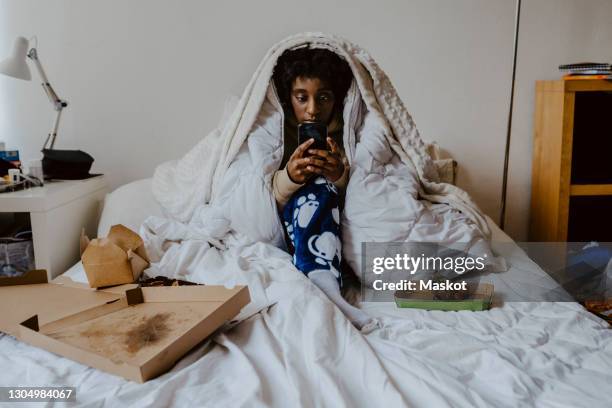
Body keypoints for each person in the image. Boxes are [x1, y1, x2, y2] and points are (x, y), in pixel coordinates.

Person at [272, 48, 375, 331]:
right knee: (314, 186)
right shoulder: (277, 135)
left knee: (323, 185)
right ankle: (330, 295)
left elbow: (365, 187)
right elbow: (262, 199)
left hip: (334, 227)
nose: (313, 109)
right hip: (292, 223)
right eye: (301, 98)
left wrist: (339, 174)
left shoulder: (348, 135)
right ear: (287, 97)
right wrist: (290, 177)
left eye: (324, 97)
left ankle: (327, 288)